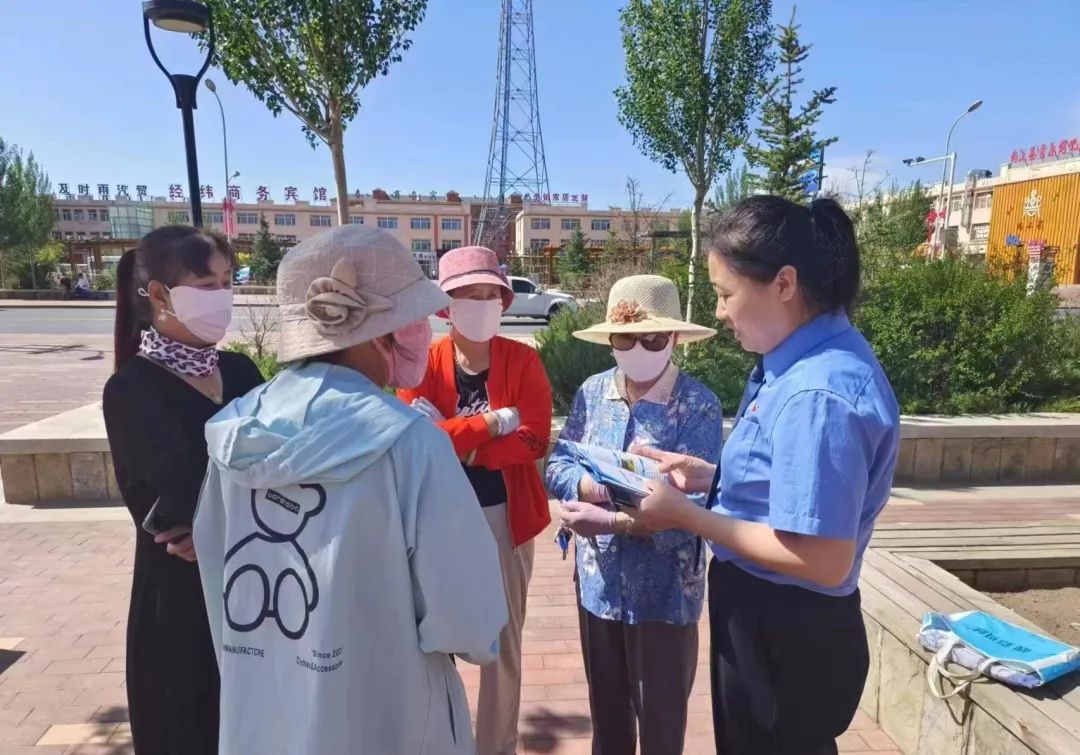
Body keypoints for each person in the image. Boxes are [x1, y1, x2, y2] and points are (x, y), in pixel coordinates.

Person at [193, 226, 508, 755]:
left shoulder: (232, 434)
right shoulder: (411, 445)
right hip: (390, 716)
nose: (422, 331)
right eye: (412, 318)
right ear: (377, 331)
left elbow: (216, 583)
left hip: (264, 711)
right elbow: (469, 622)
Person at [628, 196, 900, 755]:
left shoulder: (817, 392)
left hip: (786, 631)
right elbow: (793, 484)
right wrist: (712, 478)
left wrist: (687, 517)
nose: (720, 312)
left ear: (784, 284)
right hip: (773, 619)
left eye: (726, 294)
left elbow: (822, 557)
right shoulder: (799, 363)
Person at [545, 274, 722, 755]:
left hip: (665, 594)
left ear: (675, 338)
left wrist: (611, 521)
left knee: (662, 726)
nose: (638, 348)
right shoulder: (592, 392)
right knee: (607, 723)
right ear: (609, 340)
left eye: (653, 338)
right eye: (626, 338)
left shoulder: (698, 405)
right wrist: (589, 486)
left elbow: (697, 506)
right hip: (598, 585)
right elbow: (559, 463)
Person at [102, 225, 263, 755]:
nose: (222, 296)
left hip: (258, 589)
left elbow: (283, 469)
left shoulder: (241, 372)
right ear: (159, 295)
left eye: (227, 281)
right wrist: (246, 508)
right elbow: (171, 515)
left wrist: (224, 520)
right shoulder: (131, 389)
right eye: (206, 285)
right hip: (181, 605)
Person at [398, 245, 552, 755]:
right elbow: (414, 438)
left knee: (502, 646)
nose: (483, 304)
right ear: (446, 305)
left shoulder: (523, 359)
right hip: (436, 520)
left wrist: (462, 444)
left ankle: (495, 747)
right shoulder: (423, 362)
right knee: (433, 635)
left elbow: (534, 438)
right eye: (469, 294)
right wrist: (493, 421)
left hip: (505, 518)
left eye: (491, 294)